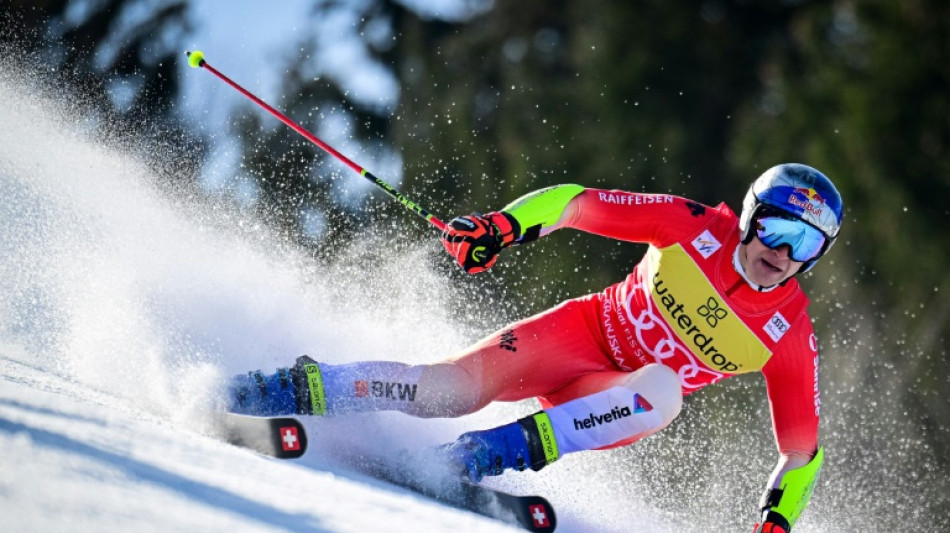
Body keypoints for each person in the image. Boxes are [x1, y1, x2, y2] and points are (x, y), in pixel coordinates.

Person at [228, 163, 842, 533]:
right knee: (447, 390)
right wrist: (502, 227)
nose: (783, 253)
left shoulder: (788, 333)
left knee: (662, 391)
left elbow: (802, 453)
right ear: (750, 214)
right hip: (577, 336)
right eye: (776, 227)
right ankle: (295, 386)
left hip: (613, 398)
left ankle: (478, 457)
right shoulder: (695, 226)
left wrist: (776, 522)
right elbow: (577, 203)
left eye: (806, 245)